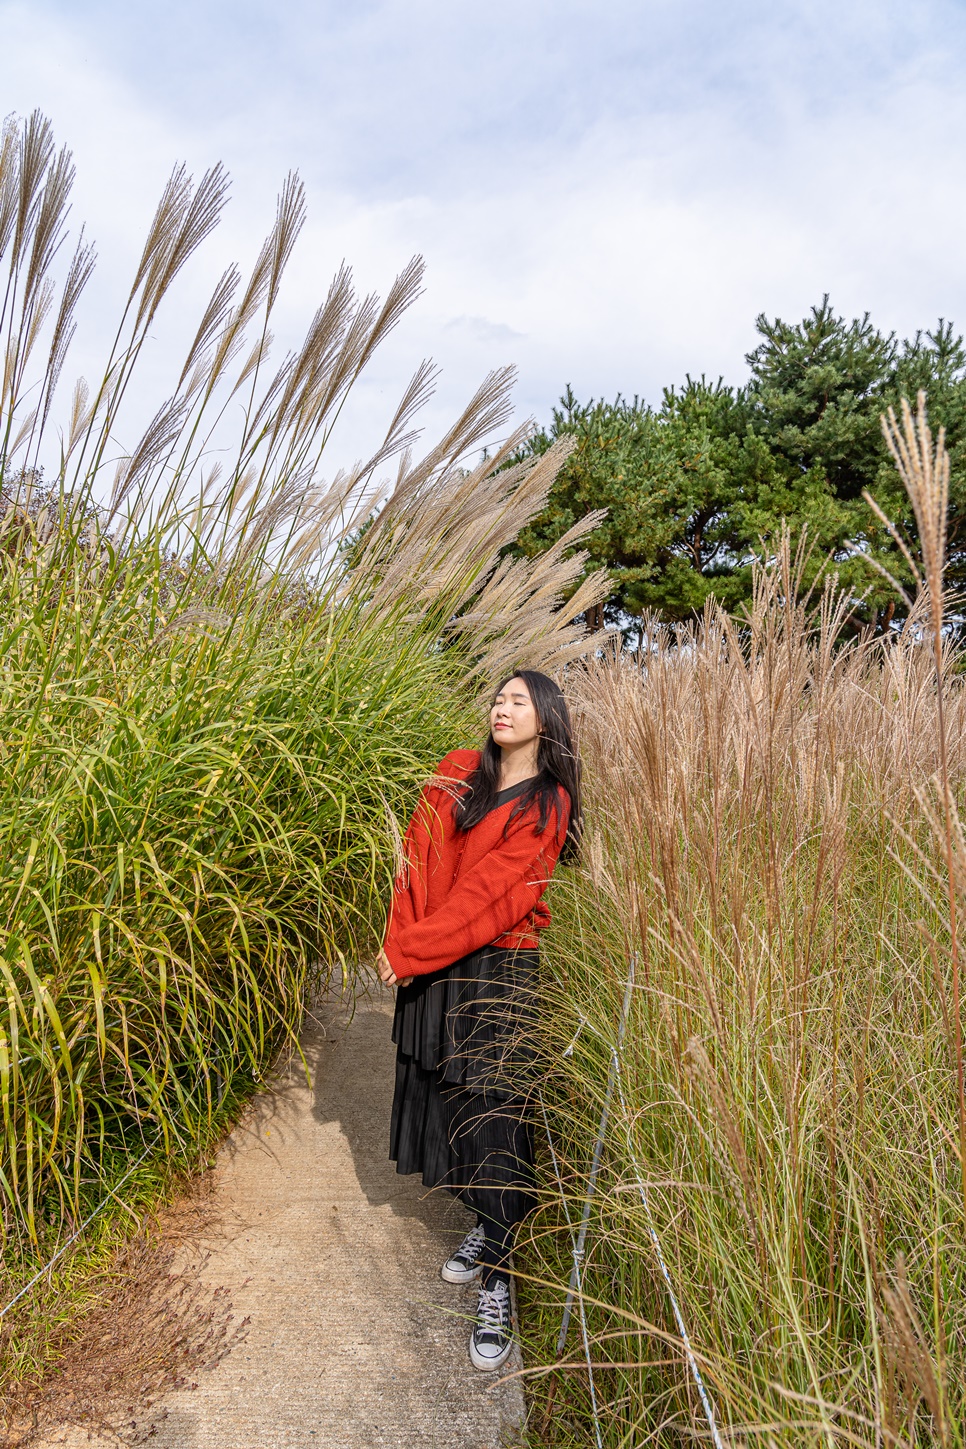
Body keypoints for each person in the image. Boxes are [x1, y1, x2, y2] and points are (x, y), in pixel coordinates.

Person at [377, 669, 581, 1372]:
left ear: (547, 718)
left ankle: (500, 1272)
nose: (502, 706)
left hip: (496, 971)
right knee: (450, 1100)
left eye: (518, 699)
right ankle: (484, 1228)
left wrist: (412, 948)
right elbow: (416, 859)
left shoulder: (548, 804)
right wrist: (402, 939)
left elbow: (490, 900)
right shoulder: (457, 771)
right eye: (498, 696)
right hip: (436, 961)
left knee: (495, 1117)